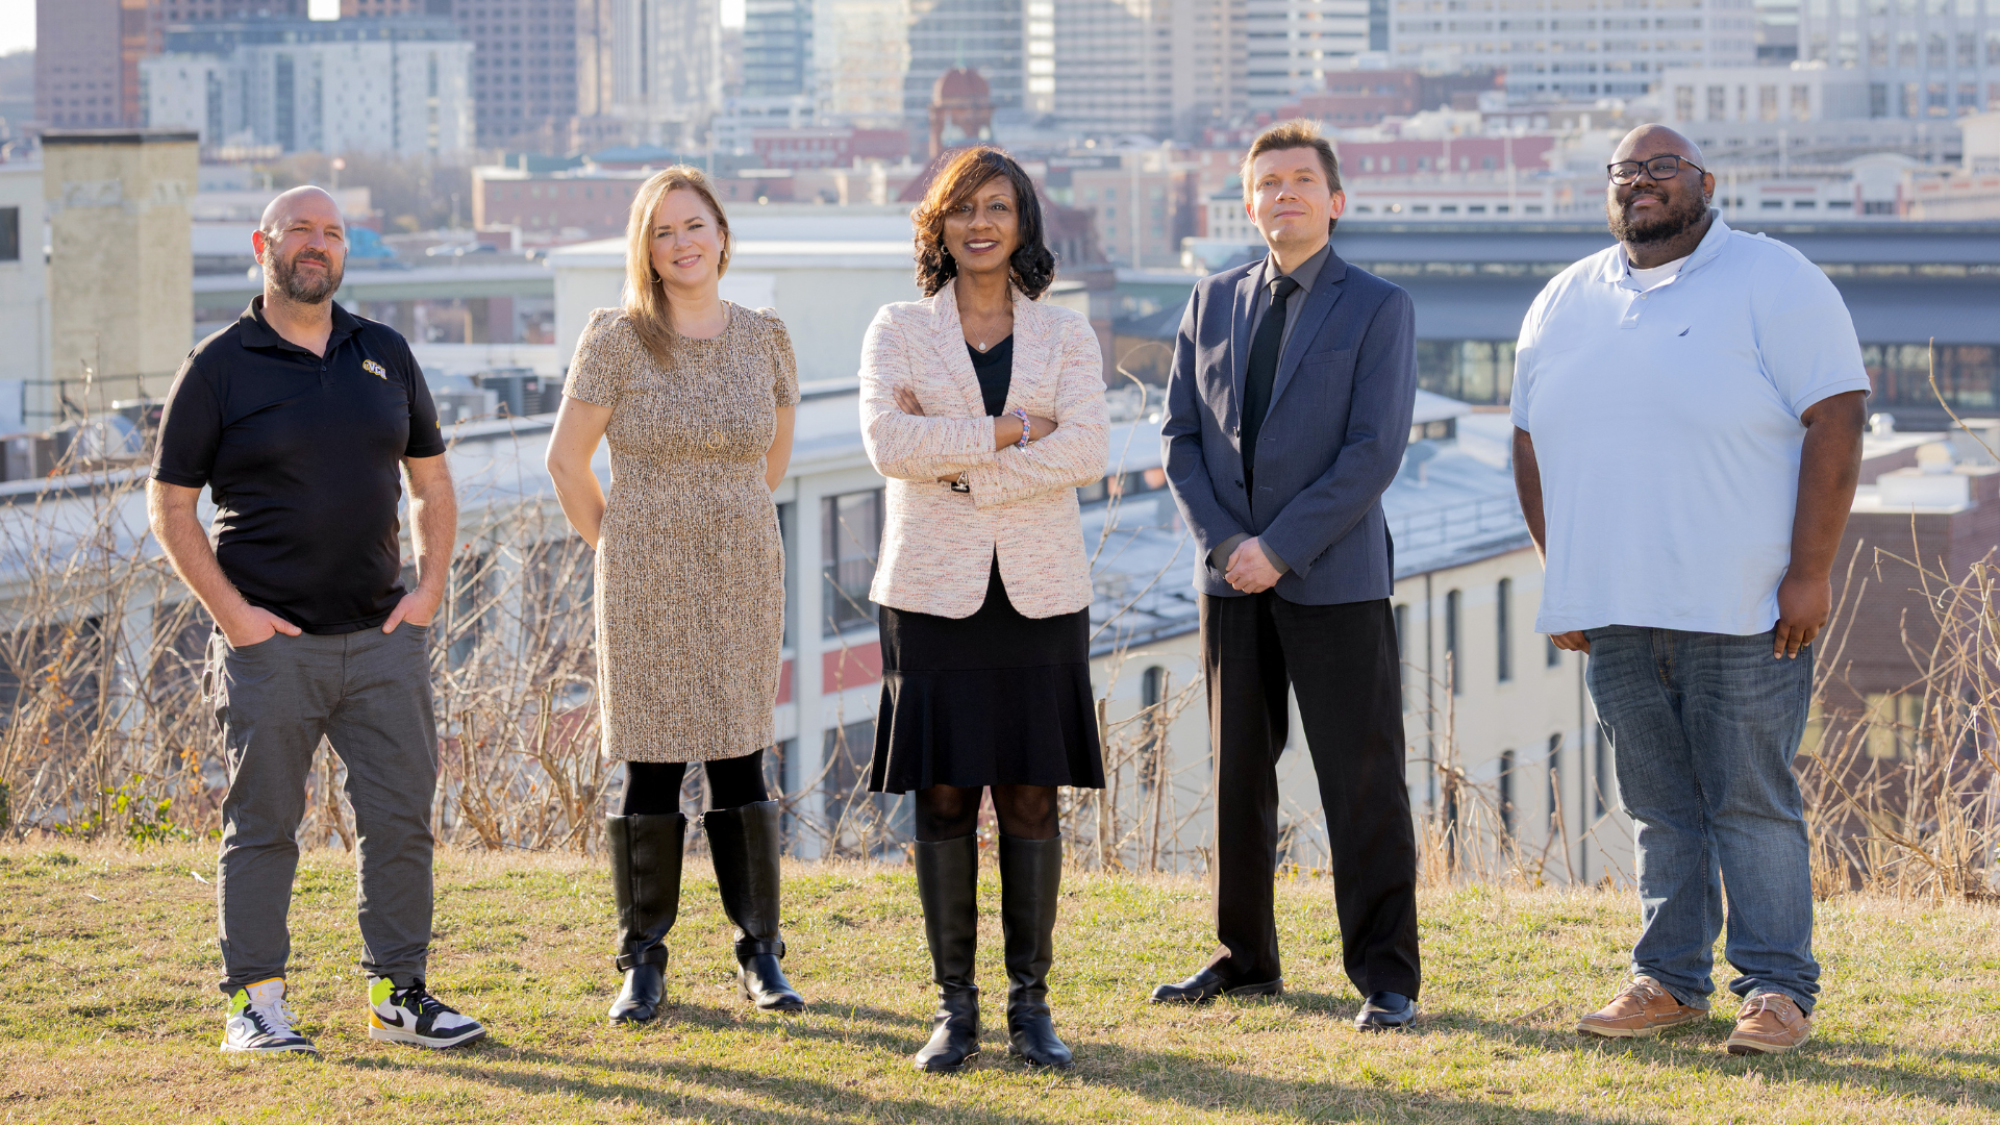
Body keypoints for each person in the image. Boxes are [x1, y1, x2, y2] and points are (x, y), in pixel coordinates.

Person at [1512, 124, 1867, 1056]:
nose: (1642, 184)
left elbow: (1837, 415)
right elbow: (1527, 439)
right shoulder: (1563, 299)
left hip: (1746, 604)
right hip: (1617, 609)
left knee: (1750, 798)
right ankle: (1668, 980)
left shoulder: (1775, 279)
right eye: (1626, 173)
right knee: (1658, 802)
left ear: (1708, 181)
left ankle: (1778, 990)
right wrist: (1566, 571)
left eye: (1662, 169)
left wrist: (1811, 571)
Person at [149, 186, 485, 1055]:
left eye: (332, 233)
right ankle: (255, 1005)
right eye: (300, 228)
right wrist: (235, 618)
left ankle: (397, 993)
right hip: (273, 649)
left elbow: (433, 485)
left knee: (402, 818)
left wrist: (428, 592)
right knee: (262, 824)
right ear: (264, 242)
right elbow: (171, 507)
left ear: (344, 255)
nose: (317, 244)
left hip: (383, 641)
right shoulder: (220, 364)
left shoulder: (385, 352)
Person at [1157, 120, 1422, 1031]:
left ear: (1335, 200)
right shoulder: (1210, 300)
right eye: (1267, 183)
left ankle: (1386, 974)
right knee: (1238, 776)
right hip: (1229, 581)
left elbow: (1372, 452)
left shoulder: (1378, 307)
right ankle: (1245, 957)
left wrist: (1279, 546)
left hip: (1335, 578)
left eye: (1302, 181)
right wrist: (1229, 546)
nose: (1284, 195)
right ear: (1248, 202)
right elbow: (1181, 439)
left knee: (1363, 776)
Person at [858, 146, 1109, 1072]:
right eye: (962, 208)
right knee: (947, 790)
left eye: (997, 207)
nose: (980, 223)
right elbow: (888, 441)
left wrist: (958, 460)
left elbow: (1085, 448)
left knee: (1032, 793)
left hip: (1039, 594)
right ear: (939, 223)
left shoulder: (1067, 334)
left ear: (1023, 225)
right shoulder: (896, 326)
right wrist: (1008, 433)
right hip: (931, 591)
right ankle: (952, 1008)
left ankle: (1029, 1006)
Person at [545, 166, 805, 1025]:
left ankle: (759, 953)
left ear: (723, 236)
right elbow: (566, 462)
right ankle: (643, 961)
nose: (682, 242)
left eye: (694, 225)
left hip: (740, 567)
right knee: (649, 763)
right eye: (662, 231)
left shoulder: (766, 336)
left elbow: (770, 460)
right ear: (645, 251)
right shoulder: (616, 336)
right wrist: (622, 546)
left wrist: (720, 516)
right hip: (644, 573)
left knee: (739, 756)